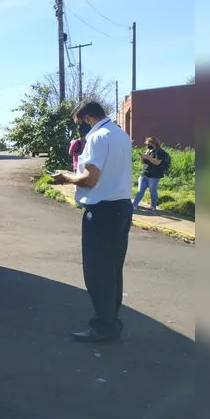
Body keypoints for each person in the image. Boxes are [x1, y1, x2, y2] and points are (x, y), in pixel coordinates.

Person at [51, 100, 134, 343]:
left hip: (102, 211)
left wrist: (66, 177)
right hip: (121, 207)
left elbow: (90, 178)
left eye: (80, 123)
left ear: (88, 118)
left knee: (97, 271)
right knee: (113, 269)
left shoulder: (98, 137)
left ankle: (103, 326)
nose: (80, 129)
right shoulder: (120, 134)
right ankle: (112, 320)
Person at [133, 136, 169, 213]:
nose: (147, 146)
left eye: (148, 144)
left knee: (152, 191)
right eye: (146, 144)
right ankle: (134, 205)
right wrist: (142, 157)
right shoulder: (148, 151)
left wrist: (148, 157)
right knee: (140, 191)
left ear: (153, 143)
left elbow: (157, 162)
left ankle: (153, 206)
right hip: (144, 173)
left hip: (154, 175)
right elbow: (143, 163)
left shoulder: (160, 151)